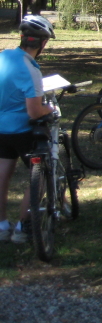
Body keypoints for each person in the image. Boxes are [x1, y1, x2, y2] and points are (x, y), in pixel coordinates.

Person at [0, 16, 56, 244]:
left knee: (3, 174)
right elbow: (34, 111)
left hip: (1, 129)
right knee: (39, 176)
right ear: (42, 44)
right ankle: (23, 226)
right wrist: (48, 108)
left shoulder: (3, 57)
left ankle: (2, 225)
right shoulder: (31, 70)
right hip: (23, 131)